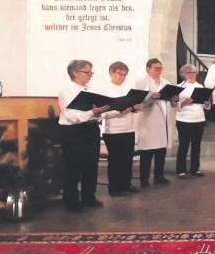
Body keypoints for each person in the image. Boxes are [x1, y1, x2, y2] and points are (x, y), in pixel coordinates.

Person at [58, 59, 109, 212]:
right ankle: (72, 202)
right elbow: (71, 115)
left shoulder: (90, 90)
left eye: (91, 72)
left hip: (91, 129)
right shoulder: (66, 91)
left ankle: (89, 197)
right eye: (87, 72)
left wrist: (102, 111)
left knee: (91, 165)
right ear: (75, 73)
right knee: (73, 166)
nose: (90, 75)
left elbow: (95, 113)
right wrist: (93, 112)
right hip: (73, 132)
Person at [101, 61, 143, 196]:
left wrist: (135, 108)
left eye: (125, 75)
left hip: (129, 128)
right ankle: (114, 187)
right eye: (120, 74)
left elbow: (132, 107)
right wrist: (119, 112)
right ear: (112, 72)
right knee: (115, 160)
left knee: (127, 159)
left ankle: (126, 184)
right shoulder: (104, 89)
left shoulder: (128, 90)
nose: (123, 77)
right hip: (113, 130)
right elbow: (102, 113)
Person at [135, 58, 177, 187]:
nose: (159, 71)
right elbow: (138, 104)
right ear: (148, 69)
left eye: (160, 68)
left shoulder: (166, 83)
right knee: (147, 152)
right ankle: (144, 178)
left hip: (164, 120)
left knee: (161, 151)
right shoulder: (141, 83)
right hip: (149, 121)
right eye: (156, 68)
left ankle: (159, 176)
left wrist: (174, 99)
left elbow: (173, 103)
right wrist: (151, 97)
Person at [175, 64, 211, 178]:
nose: (192, 75)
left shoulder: (200, 86)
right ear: (183, 75)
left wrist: (207, 104)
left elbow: (205, 105)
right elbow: (174, 105)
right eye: (188, 73)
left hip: (199, 119)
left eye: (194, 72)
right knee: (183, 145)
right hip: (184, 120)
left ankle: (195, 169)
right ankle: (181, 170)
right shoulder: (178, 87)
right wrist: (185, 102)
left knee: (196, 146)